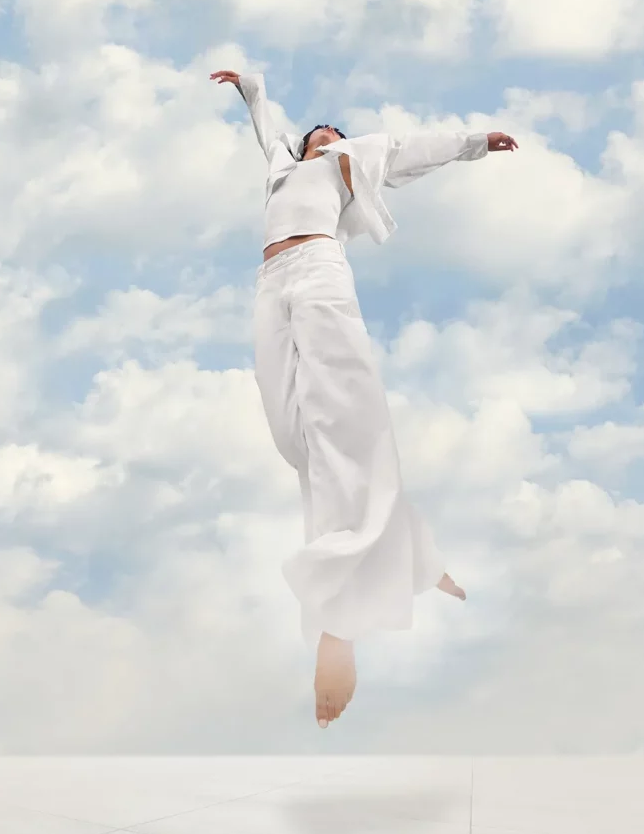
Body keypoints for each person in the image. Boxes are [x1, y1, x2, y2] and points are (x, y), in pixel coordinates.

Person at [210, 69, 518, 730]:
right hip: (272, 278)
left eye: (336, 129)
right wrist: (250, 87)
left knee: (342, 416)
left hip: (320, 267)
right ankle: (408, 554)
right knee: (293, 434)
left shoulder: (349, 161)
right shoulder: (282, 167)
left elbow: (407, 150)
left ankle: (343, 614)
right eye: (319, 128)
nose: (329, 130)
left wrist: (474, 142)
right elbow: (266, 125)